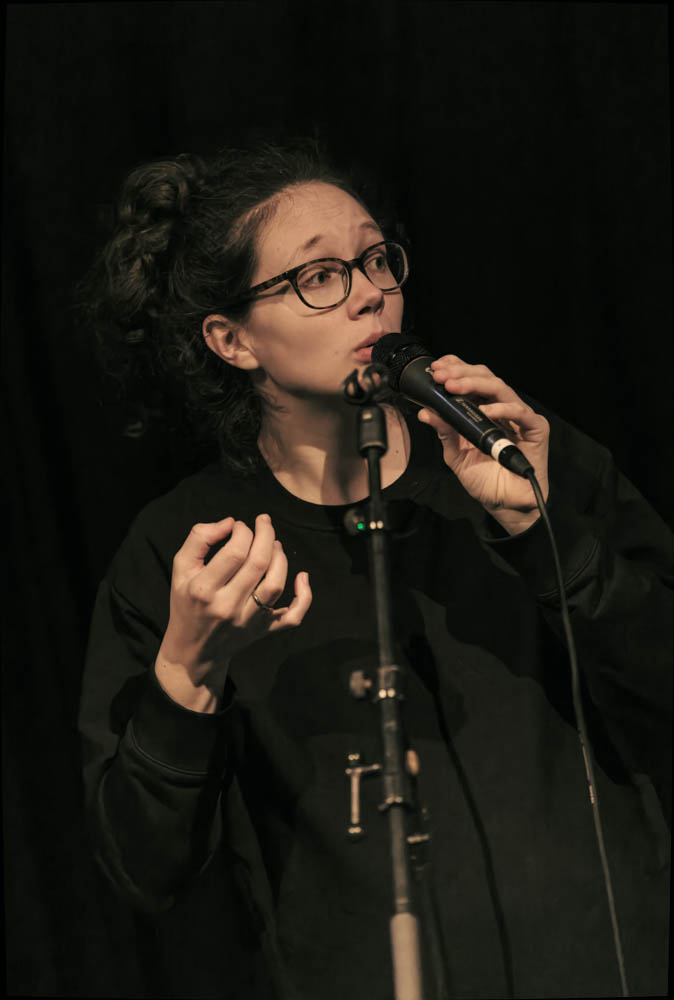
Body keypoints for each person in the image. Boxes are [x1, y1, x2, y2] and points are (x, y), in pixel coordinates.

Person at [78, 139, 671, 999]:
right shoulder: (187, 551)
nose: (368, 295)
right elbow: (145, 872)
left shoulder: (520, 457)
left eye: (375, 260)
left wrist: (543, 534)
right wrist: (186, 673)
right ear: (232, 339)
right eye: (319, 277)